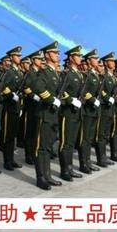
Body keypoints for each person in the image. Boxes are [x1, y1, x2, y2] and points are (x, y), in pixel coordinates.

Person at [32, 41, 63, 190]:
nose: (57, 55)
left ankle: (48, 175)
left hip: (53, 114)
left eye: (57, 53)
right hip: (44, 114)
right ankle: (41, 178)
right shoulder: (44, 72)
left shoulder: (55, 73)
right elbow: (37, 87)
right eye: (55, 53)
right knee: (41, 147)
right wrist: (51, 99)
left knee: (48, 147)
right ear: (47, 55)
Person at [58, 45, 84, 181]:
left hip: (76, 113)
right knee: (65, 143)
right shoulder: (66, 74)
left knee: (71, 142)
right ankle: (64, 171)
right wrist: (70, 100)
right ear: (71, 58)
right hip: (67, 113)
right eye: (78, 56)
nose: (80, 58)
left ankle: (70, 168)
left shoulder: (78, 74)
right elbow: (60, 91)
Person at [0, 46, 24, 171]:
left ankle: (11, 159)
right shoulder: (9, 71)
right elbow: (2, 86)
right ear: (12, 57)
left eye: (19, 56)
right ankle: (7, 161)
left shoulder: (19, 72)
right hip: (8, 107)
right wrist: (11, 95)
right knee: (7, 135)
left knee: (13, 135)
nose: (19, 58)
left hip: (16, 107)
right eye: (17, 56)